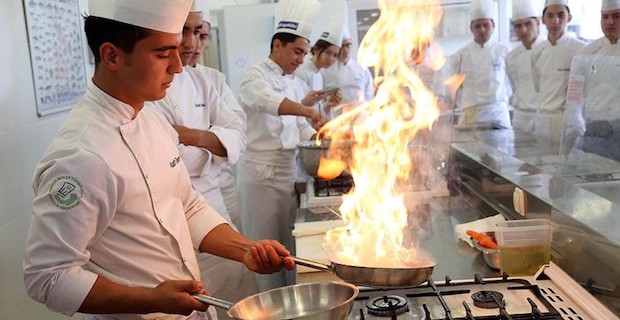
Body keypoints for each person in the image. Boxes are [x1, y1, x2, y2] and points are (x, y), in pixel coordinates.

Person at [23, 1, 294, 319]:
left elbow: (187, 205)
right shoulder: (81, 156)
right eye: (163, 54)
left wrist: (245, 249)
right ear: (112, 55)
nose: (178, 67)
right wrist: (149, 299)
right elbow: (47, 276)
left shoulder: (152, 121)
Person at [149, 2, 259, 319]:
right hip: (167, 220)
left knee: (237, 299)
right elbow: (167, 158)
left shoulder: (207, 80)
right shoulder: (138, 95)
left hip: (209, 208)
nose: (191, 44)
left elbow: (237, 137)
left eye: (199, 33)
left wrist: (189, 135)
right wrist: (211, 141)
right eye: (182, 30)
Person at [236, 0, 326, 291]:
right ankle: (269, 305)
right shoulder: (254, 75)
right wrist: (308, 111)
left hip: (287, 172)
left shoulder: (291, 82)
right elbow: (267, 102)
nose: (301, 59)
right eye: (297, 51)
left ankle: (290, 302)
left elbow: (298, 125)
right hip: (260, 176)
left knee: (288, 249)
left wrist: (319, 136)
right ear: (277, 45)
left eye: (304, 53)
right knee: (264, 252)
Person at [450, 0, 512, 130]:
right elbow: (456, 87)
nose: (482, 30)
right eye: (477, 26)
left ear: (493, 26)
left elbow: (512, 83)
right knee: (469, 148)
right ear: (471, 28)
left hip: (497, 113)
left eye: (486, 25)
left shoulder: (504, 52)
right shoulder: (460, 56)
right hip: (470, 114)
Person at [531, 0, 585, 142]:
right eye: (550, 16)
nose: (556, 21)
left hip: (567, 119)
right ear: (543, 20)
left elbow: (585, 89)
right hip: (542, 118)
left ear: (569, 18)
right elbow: (538, 85)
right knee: (542, 161)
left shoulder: (581, 49)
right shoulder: (537, 51)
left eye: (561, 15)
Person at [506, 0, 545, 133]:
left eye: (528, 24)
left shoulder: (548, 50)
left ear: (538, 22)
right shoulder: (511, 57)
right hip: (520, 117)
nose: (523, 30)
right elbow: (513, 85)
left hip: (543, 116)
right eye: (518, 26)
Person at [293, 17, 343, 115]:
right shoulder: (301, 73)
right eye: (328, 53)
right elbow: (296, 108)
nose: (331, 59)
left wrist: (328, 104)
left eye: (335, 55)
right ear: (316, 49)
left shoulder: (318, 75)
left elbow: (316, 108)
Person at [321, 28, 375, 119]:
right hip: (336, 122)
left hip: (361, 121)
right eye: (342, 46)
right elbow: (320, 103)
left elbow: (369, 97)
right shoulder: (325, 71)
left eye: (348, 45)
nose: (345, 50)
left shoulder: (362, 68)